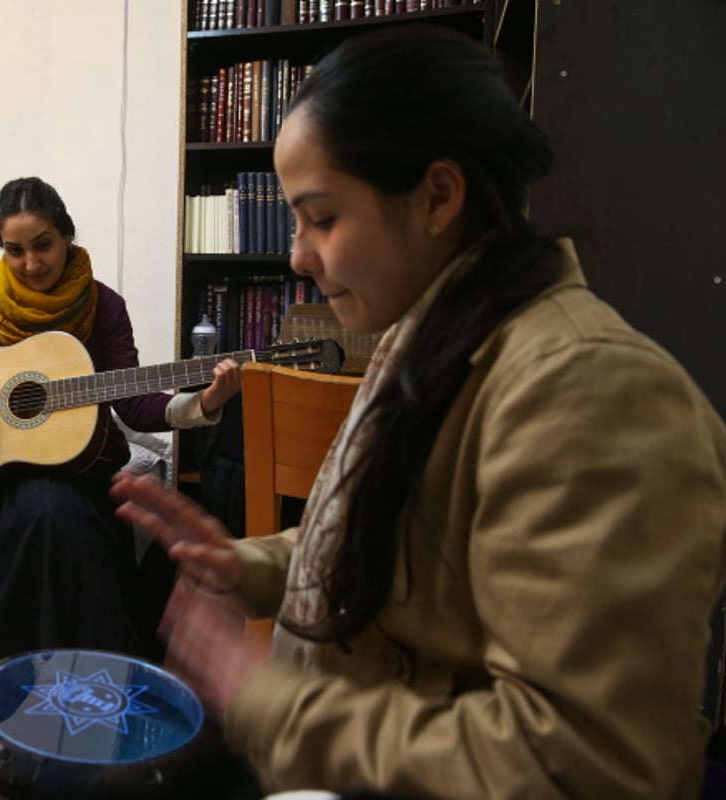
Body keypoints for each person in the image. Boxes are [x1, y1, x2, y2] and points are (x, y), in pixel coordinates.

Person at [111, 25, 726, 800]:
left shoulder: (593, 394)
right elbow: (408, 541)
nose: (296, 256)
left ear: (438, 196)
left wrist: (270, 702)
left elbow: (586, 761)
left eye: (322, 218)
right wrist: (254, 567)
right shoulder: (426, 336)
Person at [0, 176, 241, 668]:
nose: (31, 264)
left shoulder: (104, 306)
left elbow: (134, 403)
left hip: (84, 478)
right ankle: (36, 687)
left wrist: (204, 402)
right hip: (0, 486)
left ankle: (101, 689)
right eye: (14, 250)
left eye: (42, 245)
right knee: (43, 509)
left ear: (67, 234)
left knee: (60, 512)